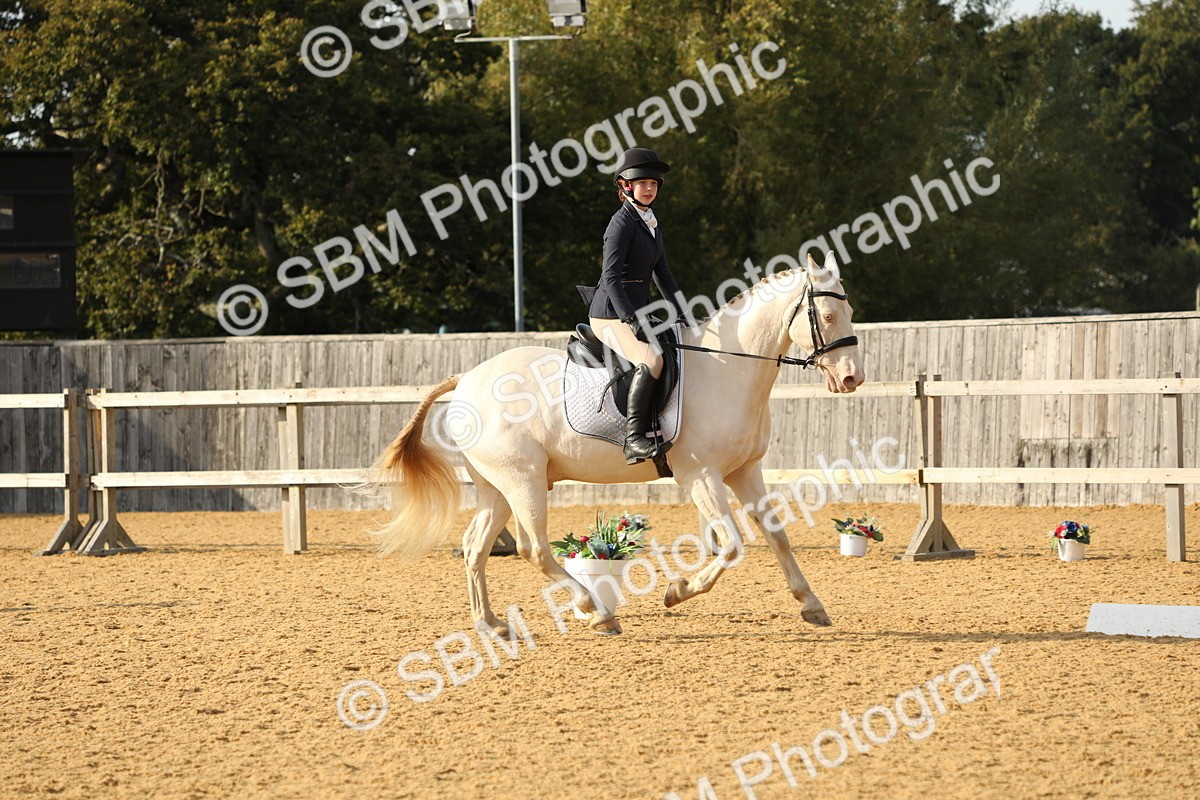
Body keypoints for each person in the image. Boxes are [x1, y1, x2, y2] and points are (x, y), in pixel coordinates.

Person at [586, 147, 687, 465]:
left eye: (654, 184)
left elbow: (663, 272)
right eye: (642, 183)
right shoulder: (622, 224)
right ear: (626, 186)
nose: (649, 188)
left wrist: (684, 311)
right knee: (652, 360)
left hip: (634, 311)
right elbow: (611, 278)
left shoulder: (650, 222)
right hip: (609, 314)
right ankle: (634, 439)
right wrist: (630, 319)